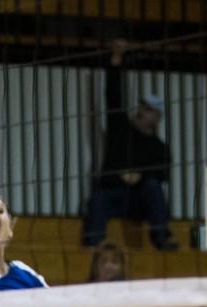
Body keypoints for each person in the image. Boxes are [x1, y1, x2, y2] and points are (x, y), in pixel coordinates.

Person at [82, 40, 173, 250]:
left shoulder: (160, 148)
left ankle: (162, 240)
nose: (142, 111)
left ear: (157, 117)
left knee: (153, 189)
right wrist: (116, 61)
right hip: (113, 193)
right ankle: (93, 245)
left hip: (139, 199)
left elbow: (163, 176)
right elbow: (113, 96)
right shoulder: (120, 128)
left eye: (149, 109)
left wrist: (140, 177)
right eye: (142, 106)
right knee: (97, 199)